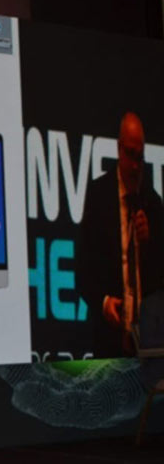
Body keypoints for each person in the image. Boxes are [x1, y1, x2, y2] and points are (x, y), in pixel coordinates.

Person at [76, 112, 164, 358]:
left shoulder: (153, 202)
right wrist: (104, 302)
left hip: (148, 340)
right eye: (130, 155)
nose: (136, 166)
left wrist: (149, 243)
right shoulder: (98, 195)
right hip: (109, 338)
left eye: (140, 157)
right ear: (119, 149)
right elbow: (82, 270)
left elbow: (160, 278)